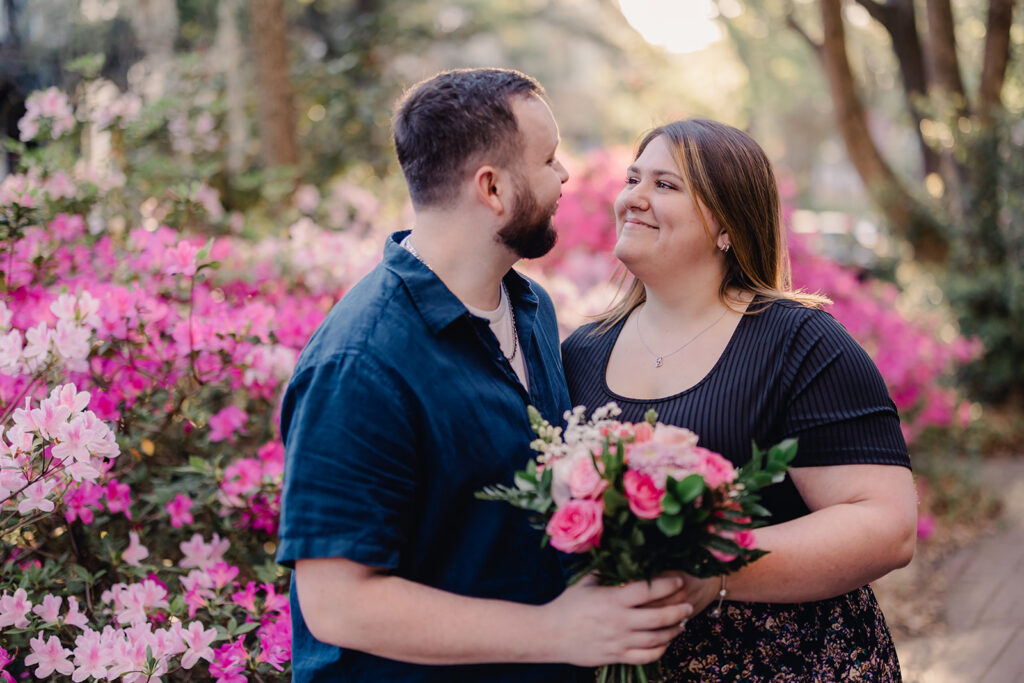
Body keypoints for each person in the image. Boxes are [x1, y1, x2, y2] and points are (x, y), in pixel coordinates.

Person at [276, 68, 693, 682]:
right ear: (492, 188)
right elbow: (338, 603)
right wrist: (556, 632)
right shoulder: (360, 363)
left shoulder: (531, 310)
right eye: (548, 158)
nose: (564, 175)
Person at [561, 119, 917, 681]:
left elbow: (886, 525)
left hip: (792, 665)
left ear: (726, 224)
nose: (634, 198)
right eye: (633, 179)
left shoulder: (800, 342)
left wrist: (714, 569)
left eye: (665, 185)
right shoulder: (579, 354)